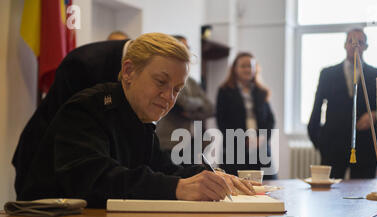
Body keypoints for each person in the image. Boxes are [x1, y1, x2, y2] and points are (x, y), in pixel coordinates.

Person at [18, 33, 255, 207]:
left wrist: (208, 175)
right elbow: (97, 180)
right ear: (129, 71)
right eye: (161, 82)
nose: (168, 98)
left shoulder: (138, 116)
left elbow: (161, 166)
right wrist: (178, 188)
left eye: (176, 90)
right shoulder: (86, 109)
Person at [12, 38, 132, 196]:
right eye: (160, 80)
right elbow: (71, 127)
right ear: (128, 68)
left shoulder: (128, 63)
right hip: (43, 158)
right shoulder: (83, 64)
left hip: (76, 162)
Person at [307, 28, 377, 179]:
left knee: (364, 197)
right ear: (345, 45)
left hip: (366, 147)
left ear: (366, 47)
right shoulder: (327, 74)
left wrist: (375, 115)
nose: (355, 46)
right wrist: (320, 143)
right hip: (333, 147)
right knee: (330, 197)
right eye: (351, 41)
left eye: (360, 42)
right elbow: (316, 110)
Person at [216, 52, 276, 179]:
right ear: (235, 69)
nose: (247, 69)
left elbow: (270, 120)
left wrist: (261, 138)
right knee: (236, 186)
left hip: (260, 147)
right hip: (235, 148)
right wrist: (243, 140)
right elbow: (221, 121)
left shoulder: (262, 91)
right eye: (243, 66)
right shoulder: (225, 91)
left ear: (255, 69)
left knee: (267, 186)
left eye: (250, 66)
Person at [156, 35, 214, 162]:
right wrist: (198, 105)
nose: (187, 52)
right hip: (170, 141)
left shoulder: (192, 82)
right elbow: (182, 104)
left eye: (188, 48)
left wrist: (191, 110)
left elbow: (210, 108)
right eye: (182, 48)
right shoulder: (165, 78)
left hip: (194, 143)